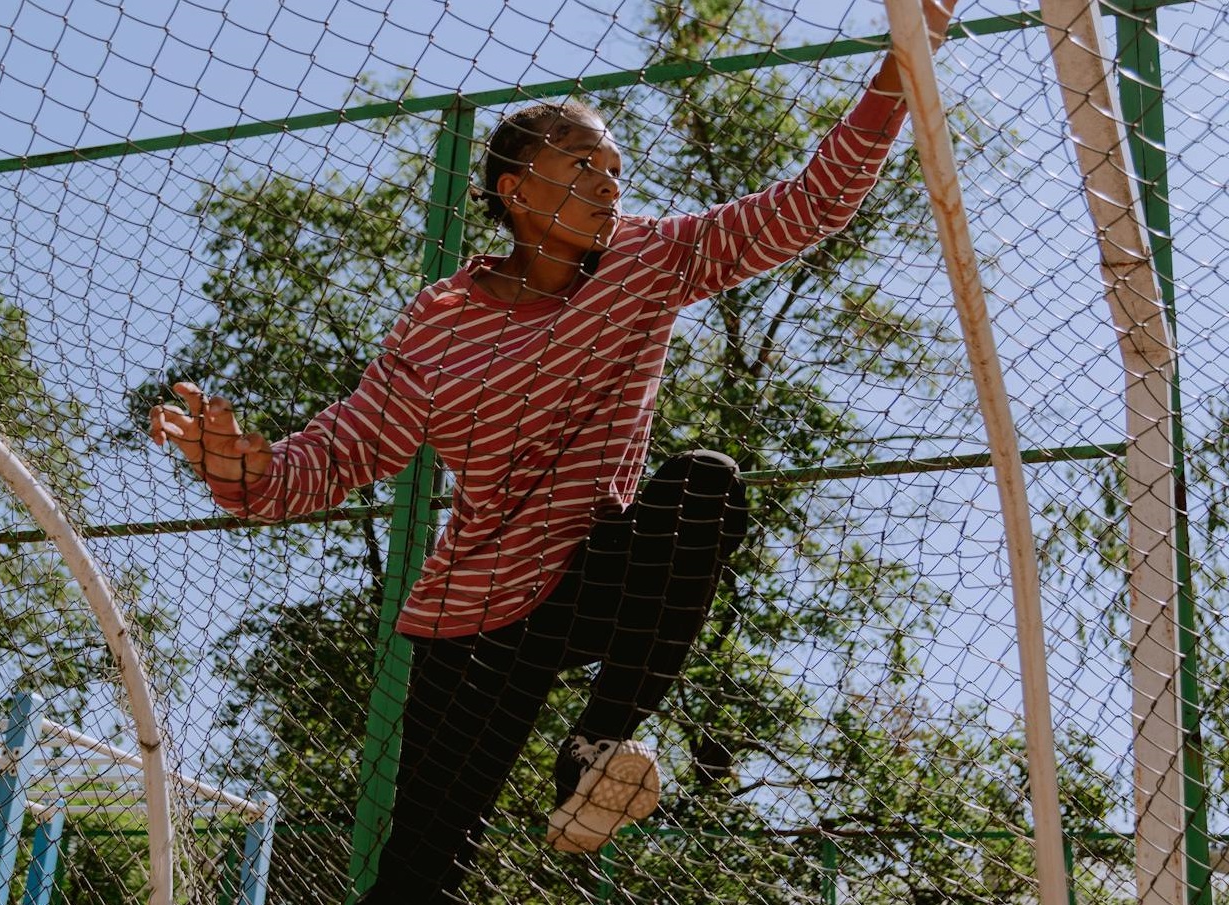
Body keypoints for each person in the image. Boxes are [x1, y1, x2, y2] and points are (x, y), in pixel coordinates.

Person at [150, 2, 957, 899]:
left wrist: (899, 66)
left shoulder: (650, 261)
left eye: (616, 167)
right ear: (517, 190)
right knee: (420, 868)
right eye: (582, 166)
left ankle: (594, 748)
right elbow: (339, 453)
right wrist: (246, 468)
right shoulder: (441, 321)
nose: (611, 184)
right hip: (473, 611)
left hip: (593, 569)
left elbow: (808, 208)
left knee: (704, 484)